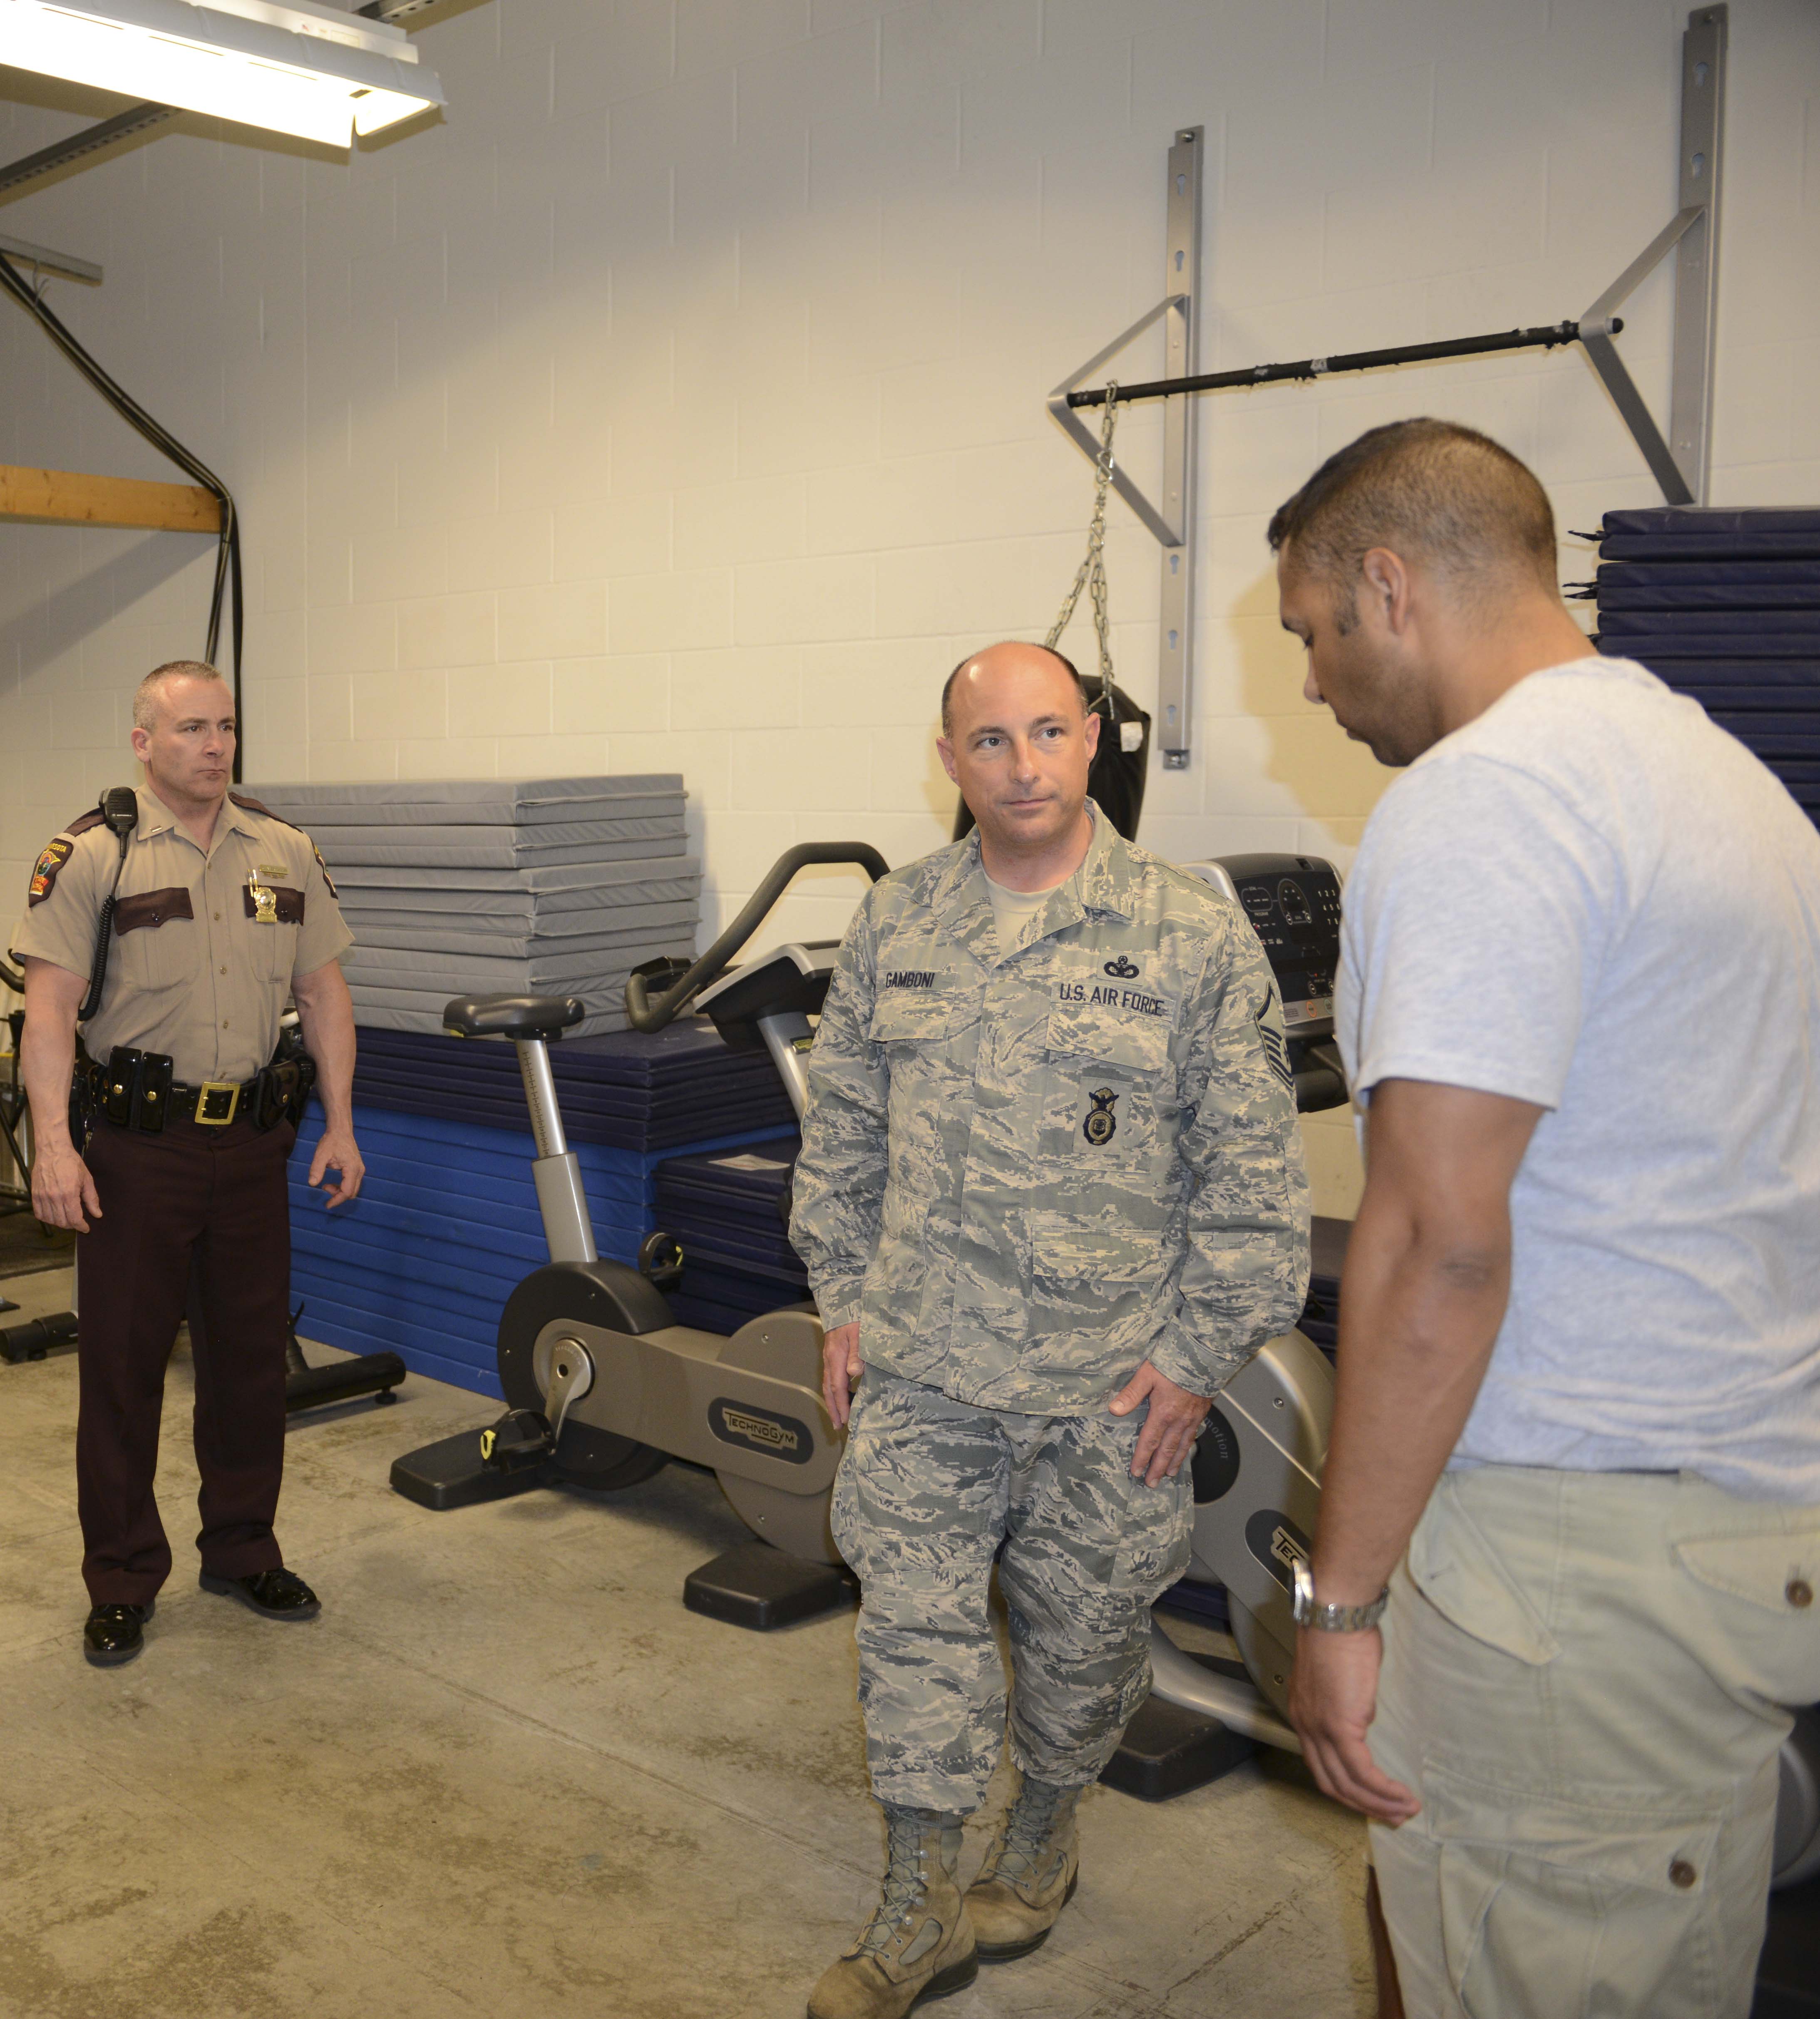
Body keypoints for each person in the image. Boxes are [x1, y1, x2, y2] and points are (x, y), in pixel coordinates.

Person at [1272, 420, 1820, 2018]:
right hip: (1725, 1513)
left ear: (1388, 585)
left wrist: (1342, 1596)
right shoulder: (1725, 784)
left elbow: (1440, 1237)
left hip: (1569, 1559)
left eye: (1311, 634)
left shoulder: (1483, 803)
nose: (1308, 680)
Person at [790, 640, 1309, 2019]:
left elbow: (1254, 1190)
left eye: (1047, 733)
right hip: (921, 1374)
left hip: (1109, 1392)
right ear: (949, 759)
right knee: (912, 1643)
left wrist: (1195, 1363)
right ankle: (916, 1906)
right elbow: (839, 1132)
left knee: (1082, 1661)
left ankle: (1041, 1835)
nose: (1021, 766)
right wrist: (840, 1295)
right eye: (988, 742)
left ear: (1090, 741)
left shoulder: (1187, 934)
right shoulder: (898, 923)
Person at [11, 660, 363, 1670]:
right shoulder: (93, 855)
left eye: (227, 727)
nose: (214, 745)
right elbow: (48, 1014)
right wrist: (54, 1144)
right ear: (143, 741)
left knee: (250, 1366)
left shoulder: (285, 849)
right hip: (137, 1154)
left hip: (255, 1147)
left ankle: (244, 1548)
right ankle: (121, 1579)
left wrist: (340, 1125)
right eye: (192, 729)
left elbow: (327, 993)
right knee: (121, 1373)